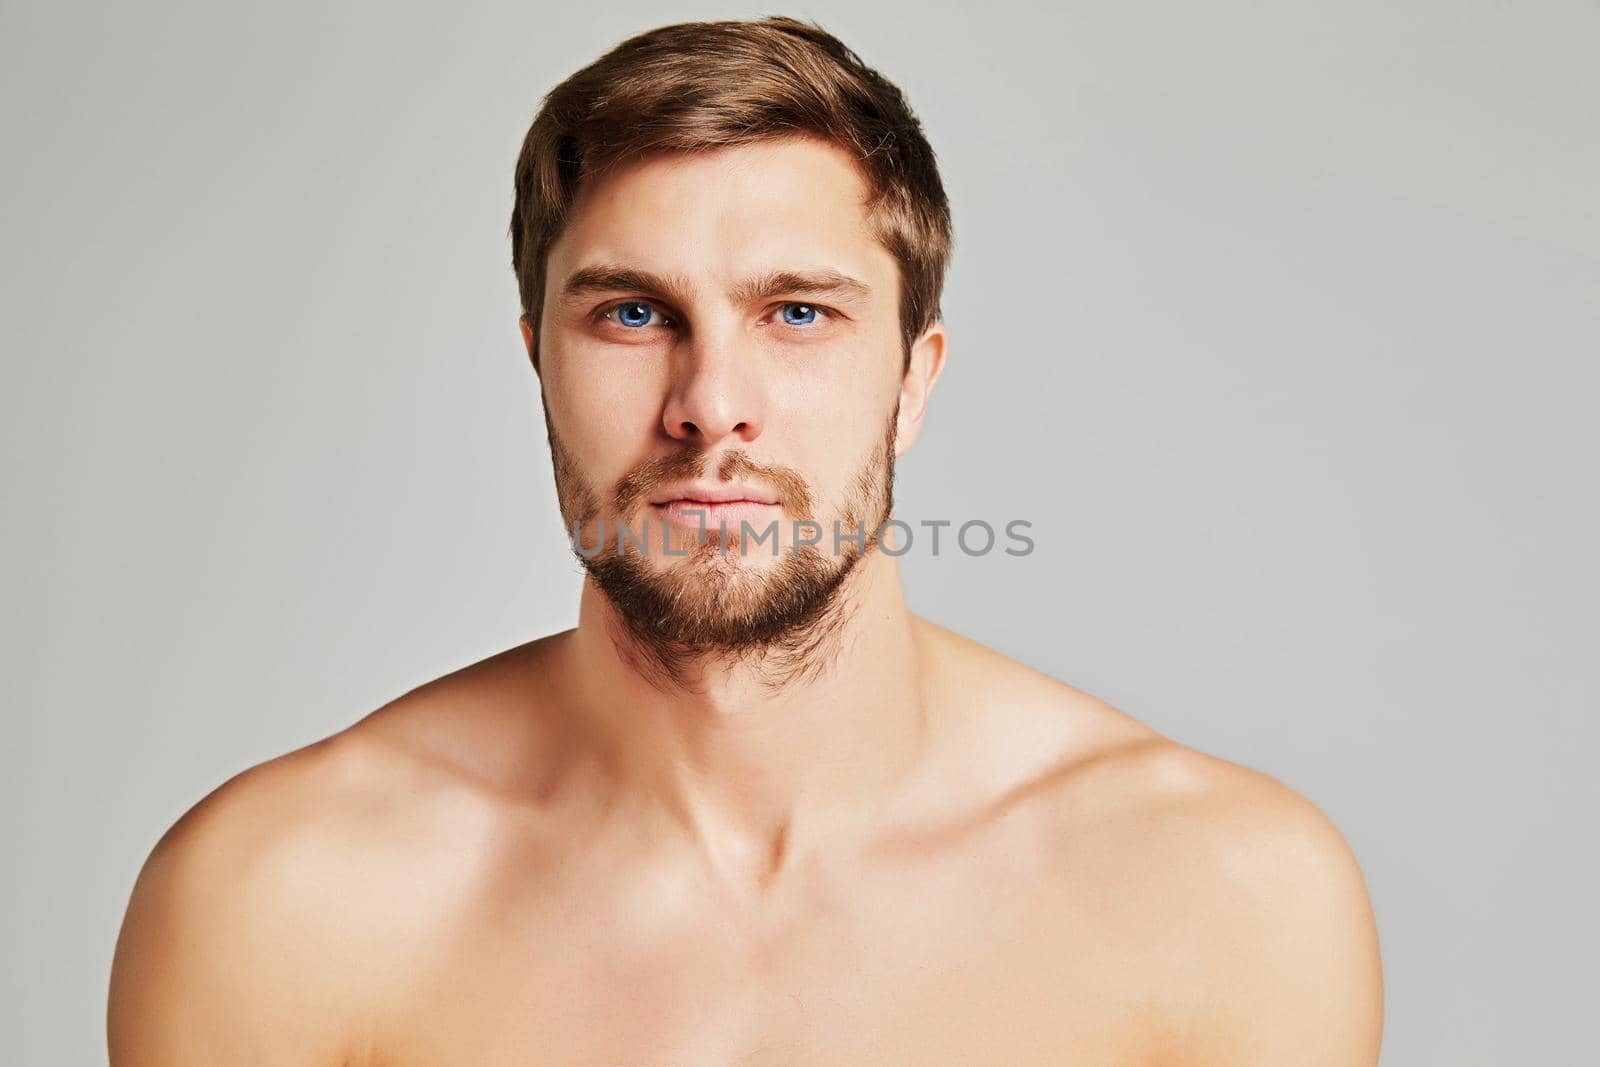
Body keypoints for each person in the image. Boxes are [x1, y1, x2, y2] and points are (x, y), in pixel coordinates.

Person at [108, 15, 1383, 1065]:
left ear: (913, 378)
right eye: (629, 311)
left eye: (797, 311)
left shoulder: (1221, 892)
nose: (711, 400)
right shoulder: (277, 899)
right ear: (537, 362)